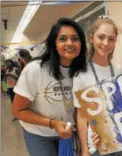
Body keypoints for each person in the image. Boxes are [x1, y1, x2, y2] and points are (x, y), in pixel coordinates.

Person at [12, 17, 87, 156]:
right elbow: (18, 110)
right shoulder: (35, 70)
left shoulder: (83, 71)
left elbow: (81, 109)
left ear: (81, 43)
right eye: (63, 39)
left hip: (69, 131)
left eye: (75, 38)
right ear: (53, 44)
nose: (70, 43)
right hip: (38, 134)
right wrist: (53, 123)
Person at [72, 16, 122, 156]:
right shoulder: (81, 75)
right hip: (97, 145)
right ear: (92, 38)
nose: (106, 43)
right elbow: (81, 116)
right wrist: (85, 149)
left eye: (111, 39)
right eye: (101, 37)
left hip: (121, 142)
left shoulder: (119, 71)